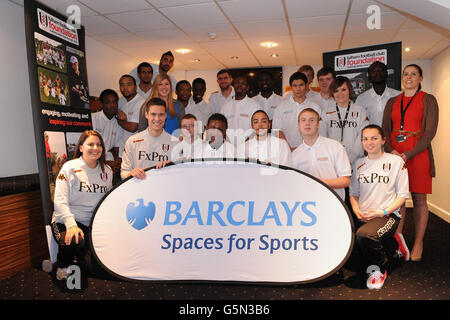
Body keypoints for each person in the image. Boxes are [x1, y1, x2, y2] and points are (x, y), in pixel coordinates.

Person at [382, 64, 439, 262]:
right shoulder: (392, 101)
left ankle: (418, 243)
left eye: (413, 74)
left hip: (418, 155)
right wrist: (392, 151)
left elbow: (430, 133)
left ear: (420, 78)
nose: (408, 77)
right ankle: (398, 242)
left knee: (419, 200)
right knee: (399, 201)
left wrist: (409, 153)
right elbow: (385, 130)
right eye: (406, 74)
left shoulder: (428, 100)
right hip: (396, 156)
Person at [349, 125, 410, 289]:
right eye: (365, 139)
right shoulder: (358, 164)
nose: (369, 142)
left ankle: (380, 268)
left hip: (387, 215)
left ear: (383, 140)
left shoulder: (395, 162)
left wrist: (383, 211)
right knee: (353, 257)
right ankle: (392, 246)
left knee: (365, 236)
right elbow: (353, 193)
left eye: (374, 138)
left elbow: (403, 196)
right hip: (364, 216)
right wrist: (356, 209)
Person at [51, 130, 113, 281]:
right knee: (73, 239)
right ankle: (63, 265)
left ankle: (79, 256)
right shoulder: (70, 167)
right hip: (65, 222)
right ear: (80, 147)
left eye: (99, 145)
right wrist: (71, 224)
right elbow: (60, 200)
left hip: (92, 225)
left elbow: (109, 201)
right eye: (90, 144)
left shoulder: (108, 171)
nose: (95, 148)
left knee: (94, 269)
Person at [291, 108, 351, 201]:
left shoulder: (335, 146)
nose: (307, 123)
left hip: (335, 204)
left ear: (318, 124)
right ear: (298, 125)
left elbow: (346, 180)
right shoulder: (295, 155)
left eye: (312, 120)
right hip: (308, 205)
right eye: (303, 120)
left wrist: (319, 182)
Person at [121, 97, 177, 180]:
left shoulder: (175, 143)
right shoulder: (132, 141)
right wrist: (131, 174)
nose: (157, 119)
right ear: (146, 114)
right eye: (153, 114)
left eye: (161, 115)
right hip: (139, 190)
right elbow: (123, 174)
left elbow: (179, 176)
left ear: (165, 116)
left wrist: (172, 168)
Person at [322, 76, 369, 165]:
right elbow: (322, 136)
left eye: (343, 90)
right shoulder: (326, 112)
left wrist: (351, 157)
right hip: (333, 160)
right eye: (336, 91)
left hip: (356, 160)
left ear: (349, 90)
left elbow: (363, 136)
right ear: (332, 93)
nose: (340, 94)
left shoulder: (360, 110)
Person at [272, 72, 324, 151]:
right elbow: (276, 131)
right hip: (287, 151)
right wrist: (288, 148)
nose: (298, 89)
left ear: (306, 86)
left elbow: (319, 130)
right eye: (295, 85)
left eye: (301, 85)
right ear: (291, 87)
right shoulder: (281, 107)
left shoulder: (315, 107)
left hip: (310, 151)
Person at [91, 89, 122, 185]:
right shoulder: (93, 118)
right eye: (108, 102)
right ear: (101, 104)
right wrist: (106, 163)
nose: (112, 105)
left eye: (114, 102)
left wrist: (117, 162)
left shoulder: (118, 122)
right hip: (93, 159)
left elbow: (118, 146)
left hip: (109, 160)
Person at [356, 61, 400, 126]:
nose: (378, 73)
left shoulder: (398, 95)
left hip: (393, 135)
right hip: (370, 135)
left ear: (387, 74)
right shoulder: (361, 99)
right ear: (369, 77)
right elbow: (358, 122)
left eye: (381, 70)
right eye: (374, 71)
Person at [220, 76, 259, 146]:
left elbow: (258, 128)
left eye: (243, 83)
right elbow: (221, 128)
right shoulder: (225, 107)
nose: (239, 85)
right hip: (229, 149)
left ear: (247, 87)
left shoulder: (254, 106)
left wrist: (245, 144)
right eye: (237, 83)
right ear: (233, 86)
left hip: (248, 148)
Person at [117, 75, 145, 158]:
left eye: (129, 84)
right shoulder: (121, 100)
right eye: (122, 85)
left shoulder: (141, 102)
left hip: (135, 150)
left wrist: (118, 120)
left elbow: (132, 127)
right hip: (121, 149)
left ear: (135, 87)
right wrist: (117, 112)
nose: (125, 88)